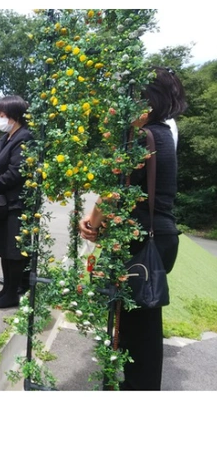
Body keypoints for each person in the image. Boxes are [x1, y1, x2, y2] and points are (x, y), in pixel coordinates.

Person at [78, 67, 187, 390]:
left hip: (141, 242)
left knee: (140, 328)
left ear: (145, 99)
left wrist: (91, 223)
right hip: (160, 238)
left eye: (129, 98)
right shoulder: (163, 134)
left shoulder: (142, 138)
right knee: (143, 322)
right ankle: (139, 385)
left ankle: (139, 389)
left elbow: (114, 192)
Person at [0, 96, 34, 309]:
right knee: (3, 248)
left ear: (15, 115)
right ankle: (6, 288)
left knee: (14, 250)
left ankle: (13, 292)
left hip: (16, 203)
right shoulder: (5, 138)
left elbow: (16, 172)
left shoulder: (25, 138)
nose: (0, 119)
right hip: (1, 203)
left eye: (3, 115)